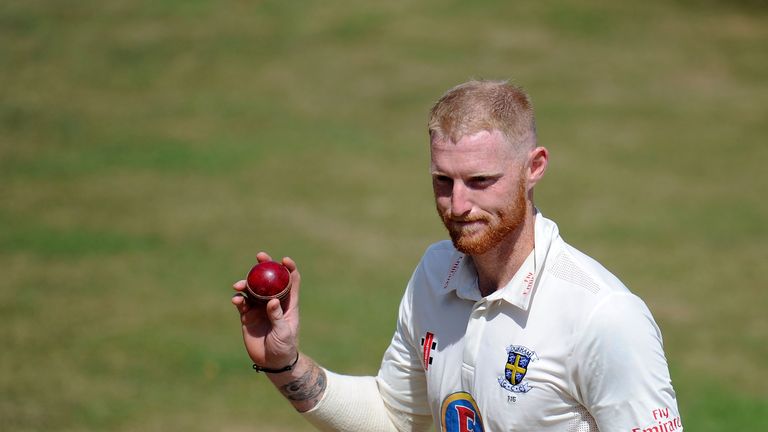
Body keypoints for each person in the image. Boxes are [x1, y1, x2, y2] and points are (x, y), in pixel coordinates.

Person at [231, 80, 683, 431]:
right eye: (443, 182)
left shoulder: (603, 316)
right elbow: (393, 418)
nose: (459, 205)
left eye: (481, 181)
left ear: (534, 167)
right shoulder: (435, 273)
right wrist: (284, 363)